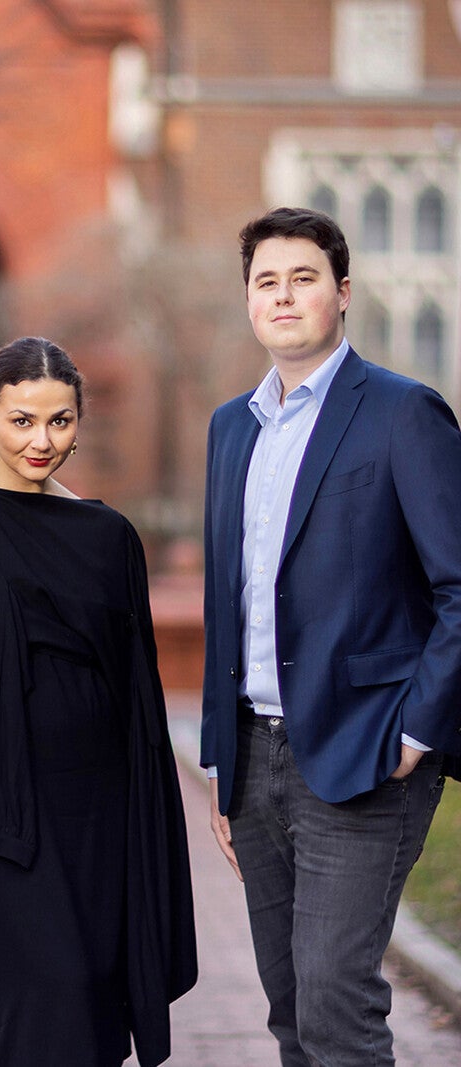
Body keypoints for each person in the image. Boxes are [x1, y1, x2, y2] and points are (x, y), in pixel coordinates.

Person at [0, 337, 197, 1066]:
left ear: (79, 421)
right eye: (23, 420)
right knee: (32, 1011)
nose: (42, 440)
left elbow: (139, 701)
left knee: (90, 1006)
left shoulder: (110, 537)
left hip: (99, 818)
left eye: (59, 421)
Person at [202, 206, 461, 1065]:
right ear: (248, 301)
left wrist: (416, 734)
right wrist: (222, 760)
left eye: (303, 278)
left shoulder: (401, 412)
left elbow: (458, 588)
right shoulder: (231, 427)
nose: (283, 296)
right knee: (291, 1012)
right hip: (256, 757)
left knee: (337, 1013)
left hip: (365, 754)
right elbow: (229, 597)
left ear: (342, 293)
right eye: (266, 282)